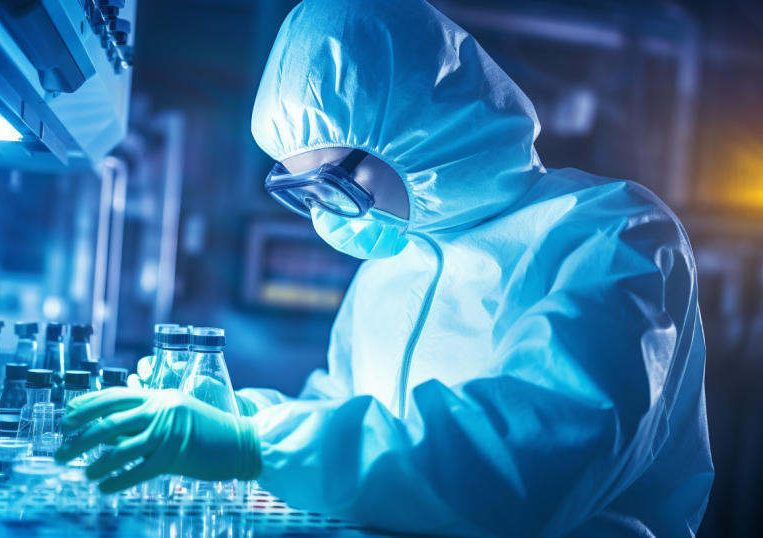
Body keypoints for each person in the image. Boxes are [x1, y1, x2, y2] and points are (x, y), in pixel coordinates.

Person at [57, 0, 713, 535]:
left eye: (336, 180)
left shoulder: (610, 234)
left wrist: (256, 443)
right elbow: (342, 413)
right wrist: (238, 414)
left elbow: (521, 465)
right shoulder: (393, 258)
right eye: (302, 190)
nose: (330, 216)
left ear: (426, 133)